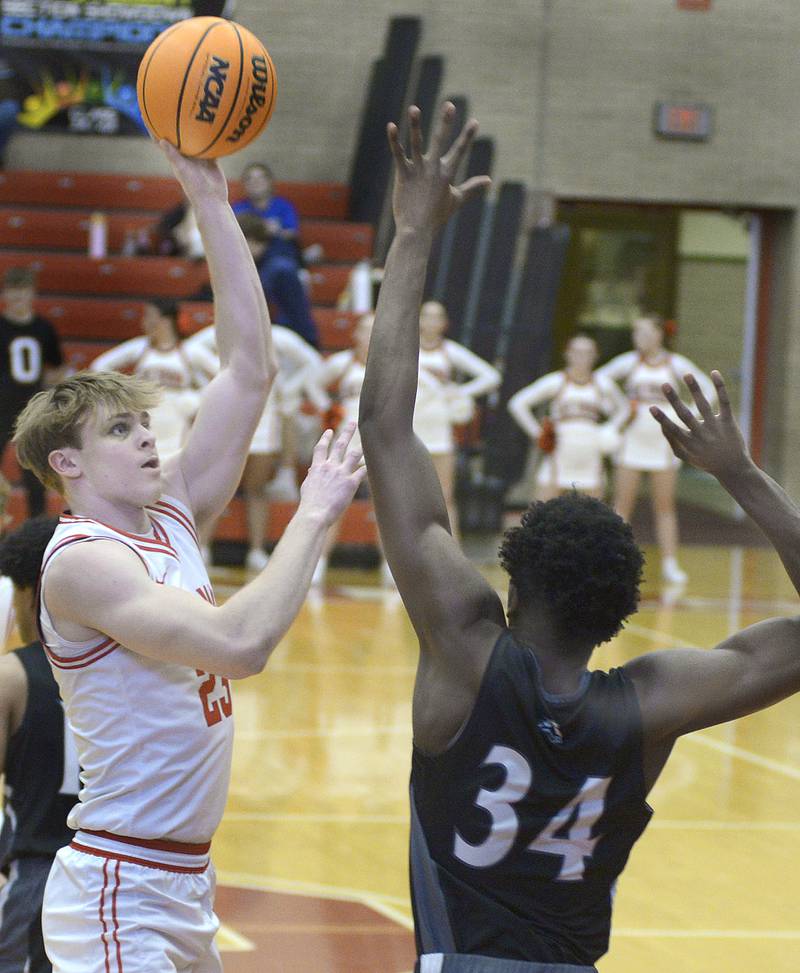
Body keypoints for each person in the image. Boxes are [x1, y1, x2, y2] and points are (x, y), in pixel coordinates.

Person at [359, 101, 800, 973]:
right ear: (619, 611)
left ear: (509, 584)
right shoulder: (655, 703)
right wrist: (741, 474)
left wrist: (412, 235)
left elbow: (384, 427)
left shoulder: (466, 651)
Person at [12, 141, 365, 973]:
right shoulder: (81, 562)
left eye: (144, 425)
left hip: (183, 878)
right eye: (120, 431)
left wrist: (207, 196)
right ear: (66, 462)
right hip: (118, 883)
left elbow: (251, 367)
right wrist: (311, 516)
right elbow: (242, 645)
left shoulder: (168, 510)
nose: (145, 440)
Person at [0, 516, 79, 973]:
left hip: (39, 878)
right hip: (118, 876)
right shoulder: (133, 666)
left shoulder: (13, 676)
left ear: (31, 592)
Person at [185, 319, 325, 570]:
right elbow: (189, 351)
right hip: (227, 423)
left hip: (264, 422)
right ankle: (201, 548)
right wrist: (208, 382)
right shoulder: (221, 330)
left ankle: (257, 551)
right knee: (218, 489)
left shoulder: (279, 337)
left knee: (257, 490)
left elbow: (312, 362)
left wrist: (288, 388)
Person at [596, 315, 715, 584]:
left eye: (644, 333)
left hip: (663, 443)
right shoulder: (628, 362)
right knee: (622, 505)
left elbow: (707, 389)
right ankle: (610, 559)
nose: (638, 338)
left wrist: (688, 417)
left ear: (658, 335)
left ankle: (670, 564)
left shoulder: (676, 364)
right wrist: (618, 410)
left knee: (664, 507)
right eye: (636, 333)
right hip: (631, 442)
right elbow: (598, 383)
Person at [414, 300, 501, 537]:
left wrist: (460, 392)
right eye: (426, 315)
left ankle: (453, 553)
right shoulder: (405, 349)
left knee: (444, 496)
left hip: (439, 429)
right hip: (409, 428)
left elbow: (491, 376)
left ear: (444, 324)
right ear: (418, 319)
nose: (431, 321)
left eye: (437, 316)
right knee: (404, 495)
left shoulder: (450, 351)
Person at [507, 334, 628, 501]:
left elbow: (625, 409)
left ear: (595, 356)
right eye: (577, 352)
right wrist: (538, 433)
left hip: (590, 455)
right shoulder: (555, 381)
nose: (582, 357)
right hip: (560, 453)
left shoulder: (603, 383)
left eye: (587, 352)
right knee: (542, 513)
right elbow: (518, 403)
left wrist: (610, 429)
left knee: (594, 518)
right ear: (567, 354)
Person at [89, 299, 217, 457]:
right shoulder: (140, 346)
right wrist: (124, 393)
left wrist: (198, 399)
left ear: (165, 321)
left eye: (149, 316)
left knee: (175, 463)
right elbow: (100, 365)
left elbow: (222, 374)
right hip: (146, 416)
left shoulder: (189, 350)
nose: (144, 321)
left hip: (177, 420)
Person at [0, 267, 65, 518]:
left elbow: (58, 367)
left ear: (32, 294)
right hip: (2, 406)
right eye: (13, 294)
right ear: (5, 295)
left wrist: (46, 391)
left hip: (31, 409)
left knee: (33, 472)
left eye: (23, 294)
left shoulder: (43, 328)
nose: (18, 300)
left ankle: (35, 527)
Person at [232, 166, 319, 347]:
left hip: (295, 339)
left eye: (260, 178)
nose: (255, 182)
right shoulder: (238, 207)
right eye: (250, 179)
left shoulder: (278, 268)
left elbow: (290, 234)